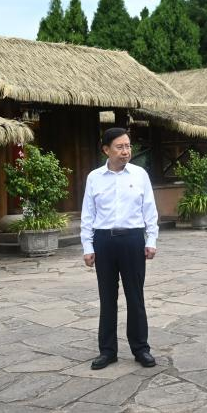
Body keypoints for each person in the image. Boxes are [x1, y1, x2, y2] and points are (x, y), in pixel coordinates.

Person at [80, 128, 159, 370]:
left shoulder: (140, 174)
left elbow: (150, 210)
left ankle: (141, 349)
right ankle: (107, 351)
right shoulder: (94, 177)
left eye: (128, 146)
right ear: (106, 149)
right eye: (120, 147)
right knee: (107, 298)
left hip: (133, 240)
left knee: (136, 297)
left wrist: (151, 240)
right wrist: (87, 245)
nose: (126, 151)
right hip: (104, 241)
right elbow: (88, 214)